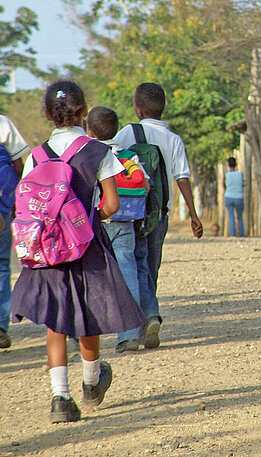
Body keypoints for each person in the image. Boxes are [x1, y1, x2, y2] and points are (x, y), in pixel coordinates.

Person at [11, 81, 145, 423]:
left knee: (56, 321)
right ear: (84, 112)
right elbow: (112, 204)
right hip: (87, 247)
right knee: (90, 315)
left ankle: (60, 398)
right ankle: (91, 382)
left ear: (46, 114)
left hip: (47, 251)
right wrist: (84, 220)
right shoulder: (98, 152)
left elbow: (25, 205)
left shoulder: (36, 156)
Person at [114, 82, 203, 349]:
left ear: (137, 108)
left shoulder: (127, 133)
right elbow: (182, 178)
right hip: (159, 214)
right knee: (150, 267)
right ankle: (150, 317)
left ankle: (142, 321)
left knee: (133, 266)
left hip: (129, 214)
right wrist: (193, 214)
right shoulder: (174, 139)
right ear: (163, 108)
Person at [87, 106, 150, 353]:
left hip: (97, 222)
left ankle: (91, 333)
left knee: (95, 279)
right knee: (128, 274)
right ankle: (130, 335)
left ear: (89, 130)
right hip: (125, 222)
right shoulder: (128, 155)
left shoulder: (90, 155)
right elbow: (144, 183)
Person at [0, 115, 29, 348]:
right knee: (1, 263)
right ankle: (0, 325)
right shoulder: (3, 123)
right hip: (3, 207)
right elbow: (19, 162)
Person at [224, 156, 245, 237]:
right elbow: (242, 184)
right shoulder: (240, 174)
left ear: (228, 165)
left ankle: (232, 235)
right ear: (236, 164)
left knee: (231, 216)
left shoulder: (227, 175)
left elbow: (224, 185)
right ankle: (241, 235)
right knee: (239, 217)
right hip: (239, 197)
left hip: (229, 196)